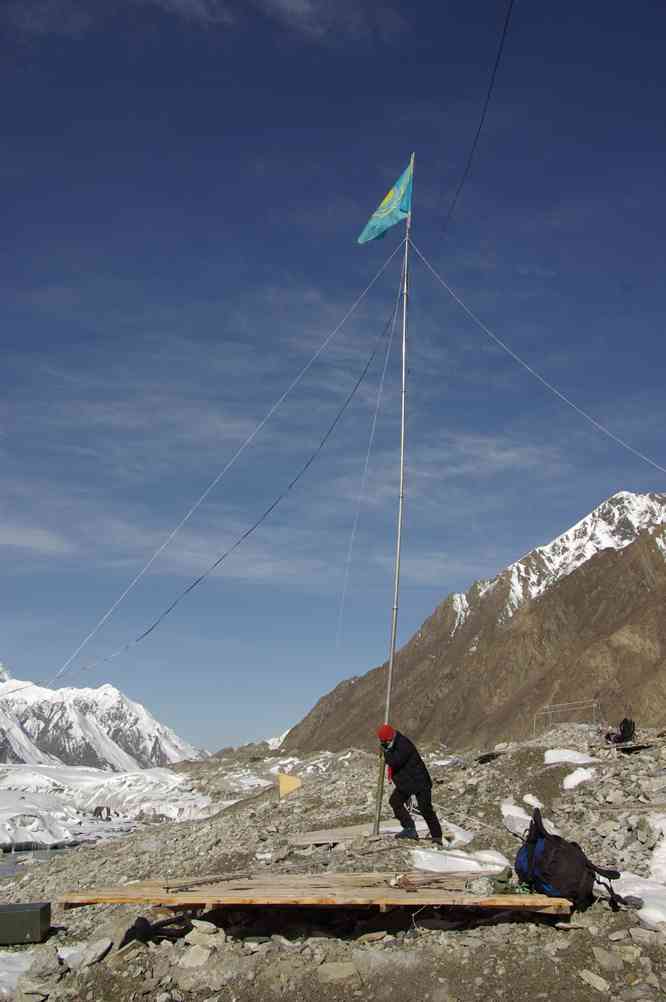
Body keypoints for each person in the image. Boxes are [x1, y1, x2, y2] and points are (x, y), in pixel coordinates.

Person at [377, 723, 443, 845]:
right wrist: (386, 748)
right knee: (395, 802)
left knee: (425, 809)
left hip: (420, 782)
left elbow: (395, 761)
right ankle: (409, 828)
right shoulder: (394, 743)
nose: (384, 744)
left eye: (385, 742)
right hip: (407, 783)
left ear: (390, 738)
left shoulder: (403, 744)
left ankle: (437, 838)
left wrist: (385, 752)